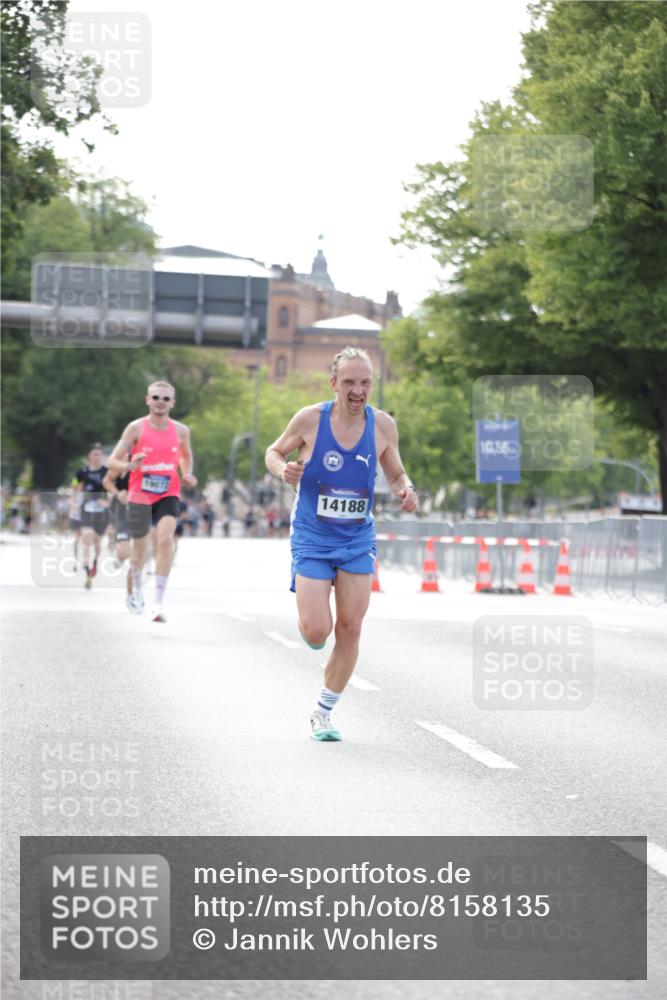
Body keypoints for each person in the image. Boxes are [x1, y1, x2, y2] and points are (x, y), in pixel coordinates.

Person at [265, 346, 418, 742]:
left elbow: (396, 473)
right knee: (318, 632)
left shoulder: (382, 426)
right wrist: (283, 470)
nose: (358, 390)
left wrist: (406, 489)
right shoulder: (310, 419)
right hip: (313, 536)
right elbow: (273, 451)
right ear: (334, 383)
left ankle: (323, 712)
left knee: (350, 627)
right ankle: (311, 623)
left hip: (357, 538)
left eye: (365, 382)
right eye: (349, 382)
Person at [107, 380, 197, 622]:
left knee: (165, 541)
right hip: (140, 494)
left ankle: (158, 602)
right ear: (147, 400)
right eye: (156, 397)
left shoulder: (181, 431)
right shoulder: (135, 428)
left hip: (169, 492)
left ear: (172, 403)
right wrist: (129, 465)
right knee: (141, 550)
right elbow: (112, 461)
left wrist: (187, 472)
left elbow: (186, 455)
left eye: (166, 399)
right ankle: (134, 590)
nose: (160, 402)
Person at [76, 444, 109, 589]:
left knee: (97, 541)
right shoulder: (82, 472)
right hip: (86, 509)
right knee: (87, 536)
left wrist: (107, 500)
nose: (97, 457)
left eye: (99, 454)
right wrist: (74, 503)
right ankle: (85, 564)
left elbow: (111, 488)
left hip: (101, 511)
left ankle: (95, 561)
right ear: (89, 456)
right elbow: (77, 487)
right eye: (94, 454)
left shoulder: (106, 472)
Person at [102, 466, 133, 606]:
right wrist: (118, 493)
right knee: (124, 553)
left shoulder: (151, 461)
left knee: (140, 553)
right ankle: (118, 555)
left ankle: (134, 592)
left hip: (144, 509)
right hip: (122, 509)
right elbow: (106, 481)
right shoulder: (123, 461)